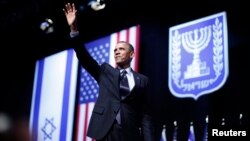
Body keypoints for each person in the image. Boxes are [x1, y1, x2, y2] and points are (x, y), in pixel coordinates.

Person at [63, 3, 155, 141]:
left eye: (121, 49)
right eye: (115, 50)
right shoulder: (105, 71)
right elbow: (84, 57)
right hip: (105, 131)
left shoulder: (142, 80)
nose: (117, 51)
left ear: (132, 54)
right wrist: (74, 29)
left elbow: (145, 115)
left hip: (130, 133)